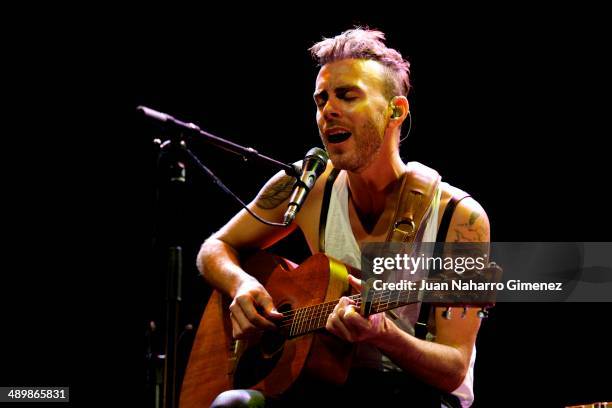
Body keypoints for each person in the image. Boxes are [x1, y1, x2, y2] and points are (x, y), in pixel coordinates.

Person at [197, 27, 490, 408]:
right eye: (321, 100)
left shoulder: (458, 217)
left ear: (395, 111)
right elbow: (214, 247)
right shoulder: (309, 185)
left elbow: (454, 366)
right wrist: (240, 286)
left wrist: (382, 334)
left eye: (347, 96)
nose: (328, 111)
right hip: (321, 383)